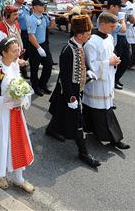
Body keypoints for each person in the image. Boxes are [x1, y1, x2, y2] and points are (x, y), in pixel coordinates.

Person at [46, 15, 101, 168]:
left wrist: (87, 72)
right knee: (78, 122)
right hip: (70, 92)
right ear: (79, 35)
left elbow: (80, 66)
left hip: (76, 88)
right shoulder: (68, 51)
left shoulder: (79, 46)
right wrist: (72, 98)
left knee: (60, 111)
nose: (90, 35)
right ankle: (84, 153)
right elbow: (65, 77)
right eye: (88, 33)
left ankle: (51, 129)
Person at [0, 38, 35, 193]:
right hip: (2, 115)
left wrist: (23, 97)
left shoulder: (14, 66)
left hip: (17, 113)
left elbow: (19, 84)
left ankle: (19, 178)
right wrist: (8, 101)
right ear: (3, 52)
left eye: (18, 50)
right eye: (14, 51)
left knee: (19, 143)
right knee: (2, 144)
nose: (17, 53)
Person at [83, 13, 129, 149]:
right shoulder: (91, 42)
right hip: (97, 83)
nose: (114, 29)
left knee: (102, 108)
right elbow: (91, 65)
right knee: (102, 110)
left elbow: (110, 53)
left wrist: (114, 59)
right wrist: (109, 62)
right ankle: (115, 139)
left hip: (107, 78)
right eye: (112, 26)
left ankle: (93, 130)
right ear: (102, 24)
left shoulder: (109, 37)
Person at [26, 0, 54, 96]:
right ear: (34, 7)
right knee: (34, 68)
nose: (43, 7)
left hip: (44, 44)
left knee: (49, 64)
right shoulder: (31, 19)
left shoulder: (44, 17)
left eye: (43, 5)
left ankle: (42, 84)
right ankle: (35, 86)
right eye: (41, 5)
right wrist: (38, 48)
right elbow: (31, 36)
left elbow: (50, 28)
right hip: (34, 46)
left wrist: (53, 19)